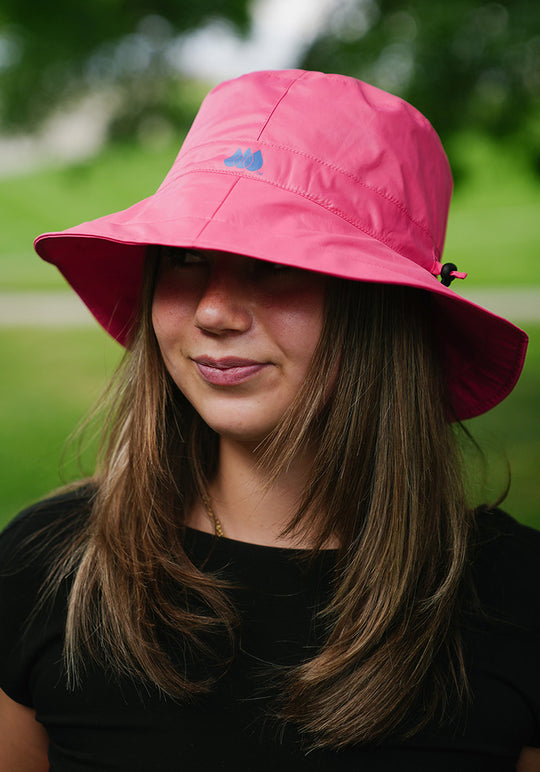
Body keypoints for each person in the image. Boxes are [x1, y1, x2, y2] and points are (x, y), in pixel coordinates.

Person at [0, 69, 538, 772]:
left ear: (383, 309)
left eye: (277, 264)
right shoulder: (51, 568)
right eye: (187, 258)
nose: (215, 312)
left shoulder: (516, 600)